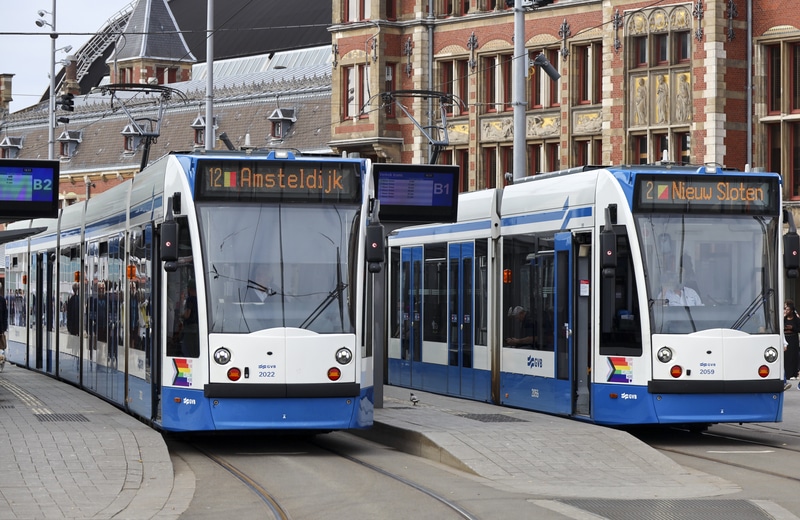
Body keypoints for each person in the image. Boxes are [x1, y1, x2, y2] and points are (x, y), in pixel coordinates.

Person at [784, 300, 800, 390]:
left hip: (793, 338)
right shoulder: (784, 318)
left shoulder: (796, 319)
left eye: (787, 309)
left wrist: (792, 328)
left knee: (793, 356)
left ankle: (794, 373)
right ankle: (787, 374)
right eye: (785, 309)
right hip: (786, 338)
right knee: (786, 357)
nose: (786, 311)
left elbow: (798, 328)